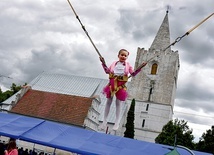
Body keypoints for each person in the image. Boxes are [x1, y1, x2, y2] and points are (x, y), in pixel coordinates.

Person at [99, 49, 147, 130]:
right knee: (108, 102)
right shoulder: (114, 64)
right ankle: (104, 121)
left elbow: (133, 74)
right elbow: (107, 71)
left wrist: (140, 67)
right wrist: (103, 63)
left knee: (118, 103)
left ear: (127, 57)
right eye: (122, 55)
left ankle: (117, 122)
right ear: (118, 55)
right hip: (112, 85)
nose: (123, 56)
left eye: (125, 55)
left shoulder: (128, 65)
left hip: (120, 86)